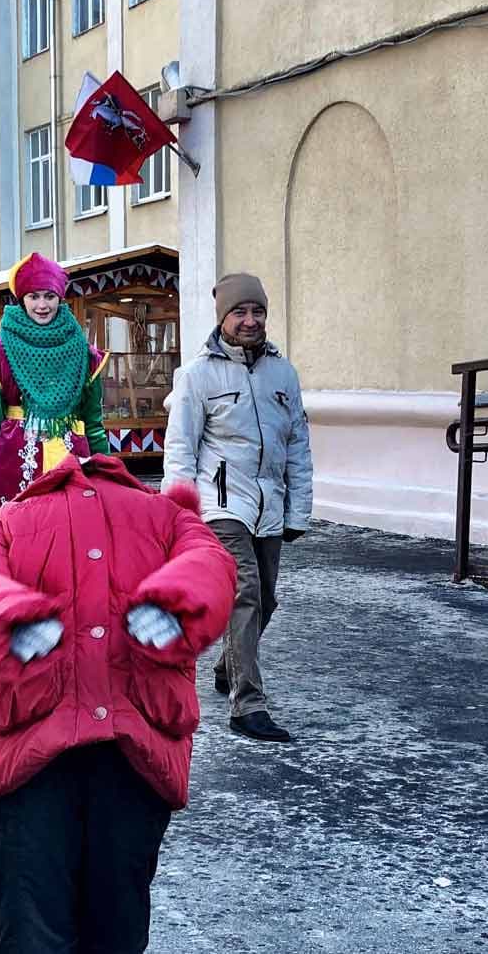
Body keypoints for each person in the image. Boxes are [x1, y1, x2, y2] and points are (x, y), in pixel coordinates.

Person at [0, 456, 234, 953]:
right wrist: (172, 605)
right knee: (112, 924)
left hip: (50, 753)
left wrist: (7, 619)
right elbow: (213, 566)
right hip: (91, 753)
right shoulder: (165, 518)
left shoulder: (8, 519)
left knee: (34, 921)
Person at [162, 272, 314, 744]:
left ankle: (230, 665)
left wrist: (298, 511)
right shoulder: (197, 376)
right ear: (222, 318)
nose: (250, 321)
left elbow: (298, 445)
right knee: (244, 592)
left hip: (270, 503)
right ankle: (247, 705)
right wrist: (178, 511)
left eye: (257, 311)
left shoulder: (282, 373)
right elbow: (180, 448)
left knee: (266, 599)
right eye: (240, 312)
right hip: (220, 502)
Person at [0, 253, 112, 519]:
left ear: (60, 297)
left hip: (73, 466)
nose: (42, 305)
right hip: (14, 465)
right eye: (33, 296)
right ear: (21, 300)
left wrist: (108, 476)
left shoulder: (85, 353)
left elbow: (93, 424)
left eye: (49, 296)